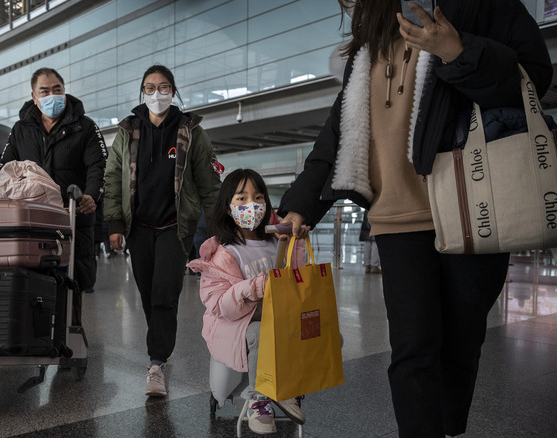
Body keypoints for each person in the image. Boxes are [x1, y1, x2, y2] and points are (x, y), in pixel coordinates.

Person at [276, 1, 552, 436]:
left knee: (461, 346)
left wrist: (458, 52)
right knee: (412, 350)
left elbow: (534, 76)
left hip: (470, 203)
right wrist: (303, 203)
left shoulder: (480, 5)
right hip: (396, 215)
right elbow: (340, 127)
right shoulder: (377, 26)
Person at [104, 64, 221, 397]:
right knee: (147, 295)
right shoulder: (127, 132)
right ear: (142, 92)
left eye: (165, 87)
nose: (158, 93)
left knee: (165, 295)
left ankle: (156, 364)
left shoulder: (190, 132)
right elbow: (113, 179)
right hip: (138, 227)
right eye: (151, 87)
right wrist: (114, 222)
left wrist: (218, 229)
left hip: (174, 227)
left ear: (174, 91)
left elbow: (209, 183)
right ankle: (158, 351)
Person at [187, 169, 307, 435]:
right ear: (228, 207)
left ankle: (288, 389)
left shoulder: (275, 243)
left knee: (312, 329)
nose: (252, 204)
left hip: (276, 319)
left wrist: (296, 244)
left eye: (258, 197)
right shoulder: (224, 252)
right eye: (241, 198)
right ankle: (260, 399)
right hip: (235, 325)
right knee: (259, 331)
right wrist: (255, 287)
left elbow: (296, 281)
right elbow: (219, 305)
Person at [0, 67, 107, 326]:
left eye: (57, 89)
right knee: (33, 278)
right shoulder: (20, 129)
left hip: (73, 216)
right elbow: (5, 169)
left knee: (73, 279)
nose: (52, 95)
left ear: (64, 90)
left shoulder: (85, 127)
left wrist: (91, 195)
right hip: (32, 220)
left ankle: (70, 339)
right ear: (34, 97)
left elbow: (99, 166)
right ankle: (33, 339)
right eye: (44, 91)